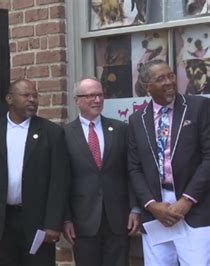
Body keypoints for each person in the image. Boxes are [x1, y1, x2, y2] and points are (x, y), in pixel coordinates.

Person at [0, 79, 71, 266]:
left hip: (38, 222)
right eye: (26, 95)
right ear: (10, 99)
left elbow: (59, 182)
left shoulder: (51, 133)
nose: (32, 100)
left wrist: (53, 223)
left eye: (35, 96)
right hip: (3, 221)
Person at [128, 59, 210, 265]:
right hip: (156, 210)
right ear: (147, 86)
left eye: (171, 76)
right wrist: (151, 204)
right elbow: (134, 168)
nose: (169, 82)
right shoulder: (137, 120)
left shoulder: (199, 107)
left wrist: (187, 200)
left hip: (194, 207)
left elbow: (209, 157)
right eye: (160, 79)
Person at [63, 77, 140, 266]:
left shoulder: (121, 129)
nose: (97, 100)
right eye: (90, 96)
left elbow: (131, 171)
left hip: (118, 219)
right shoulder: (64, 134)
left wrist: (135, 208)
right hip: (83, 221)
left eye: (100, 95)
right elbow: (61, 181)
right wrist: (66, 219)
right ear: (77, 100)